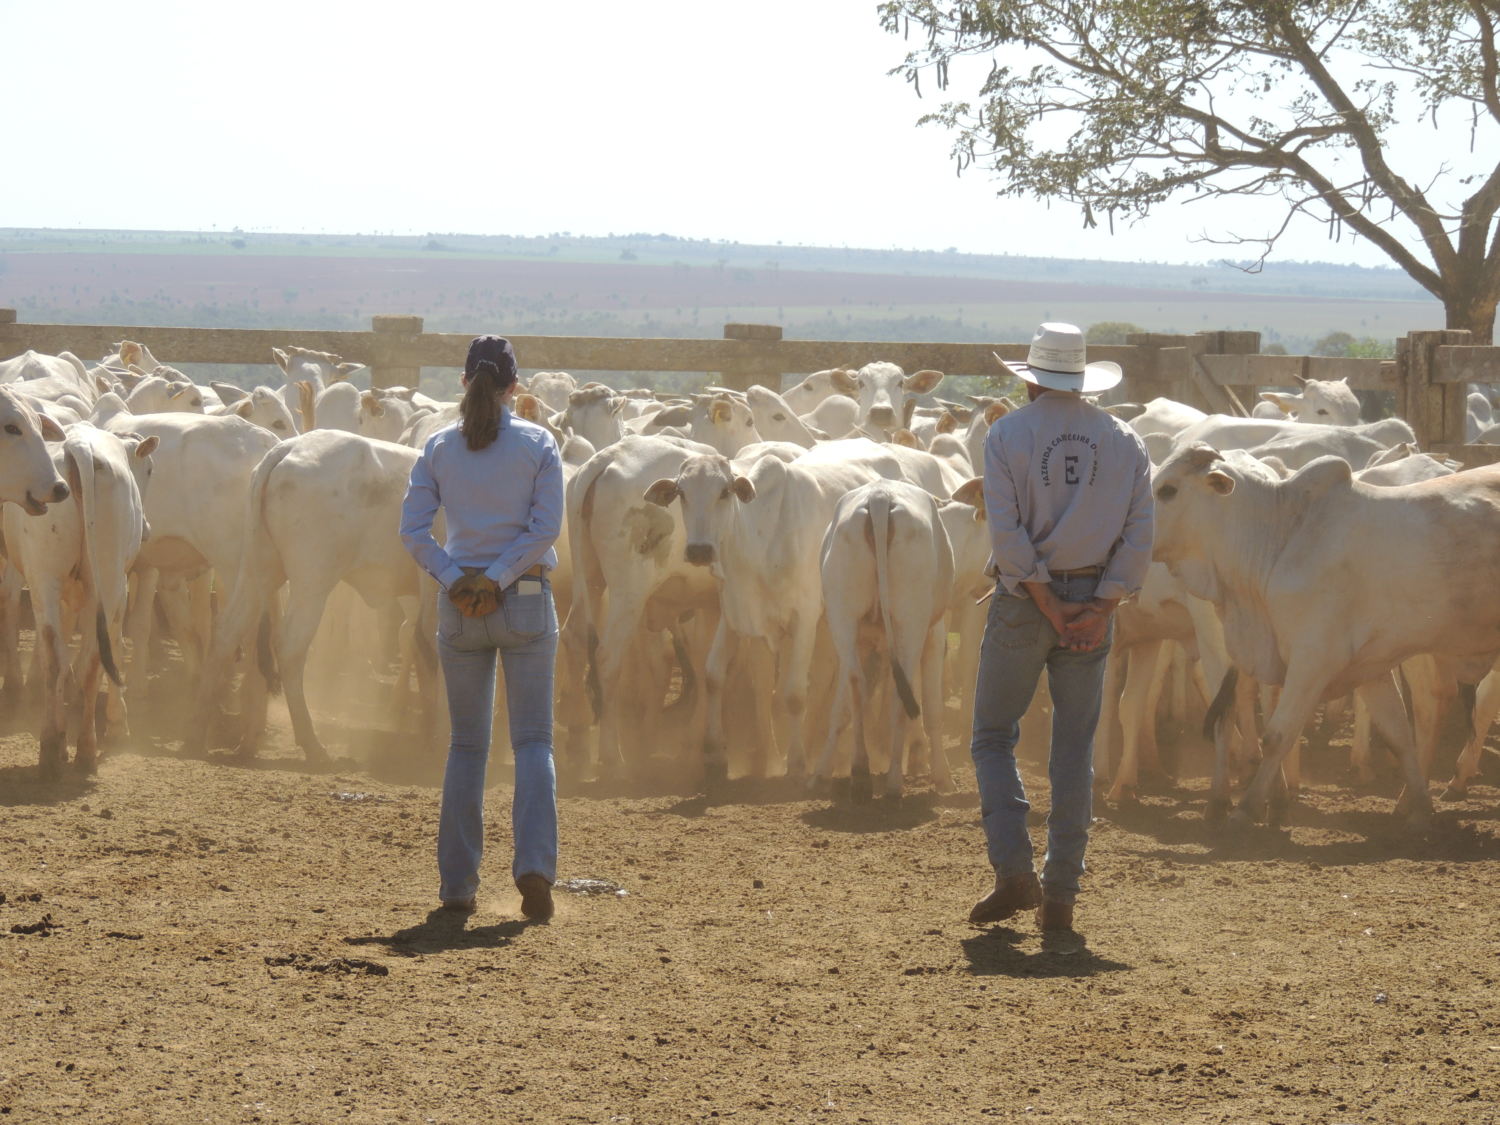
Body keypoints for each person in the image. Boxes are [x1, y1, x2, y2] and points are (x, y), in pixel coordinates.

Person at [967, 322, 1154, 933]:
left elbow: (1007, 532)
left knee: (994, 734)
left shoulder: (1006, 436)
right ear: (1081, 379)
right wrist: (1098, 608)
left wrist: (1047, 605)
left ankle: (1014, 870)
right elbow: (1139, 535)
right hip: (1093, 600)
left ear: (1028, 382)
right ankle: (1061, 899)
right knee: (1074, 747)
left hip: (1026, 602)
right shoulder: (1125, 441)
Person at [399, 335, 564, 921]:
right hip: (522, 600)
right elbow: (545, 529)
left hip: (459, 606)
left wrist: (458, 580)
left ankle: (458, 886)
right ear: (515, 386)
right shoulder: (539, 443)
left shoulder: (439, 446)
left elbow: (414, 532)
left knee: (467, 746)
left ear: (465, 382)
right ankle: (535, 869)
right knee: (533, 742)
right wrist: (496, 578)